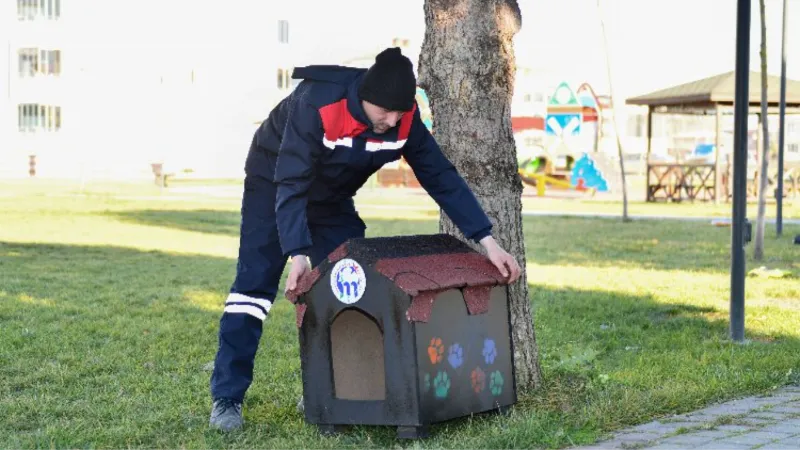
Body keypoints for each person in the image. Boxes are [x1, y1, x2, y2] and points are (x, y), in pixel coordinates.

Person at [208, 47, 522, 432]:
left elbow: (441, 176)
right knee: (253, 288)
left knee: (349, 286)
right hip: (273, 184)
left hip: (332, 198)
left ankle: (328, 392)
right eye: (382, 112)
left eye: (398, 112)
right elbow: (291, 181)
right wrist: (298, 252)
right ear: (362, 98)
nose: (390, 121)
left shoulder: (405, 120)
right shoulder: (316, 105)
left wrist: (487, 240)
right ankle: (228, 398)